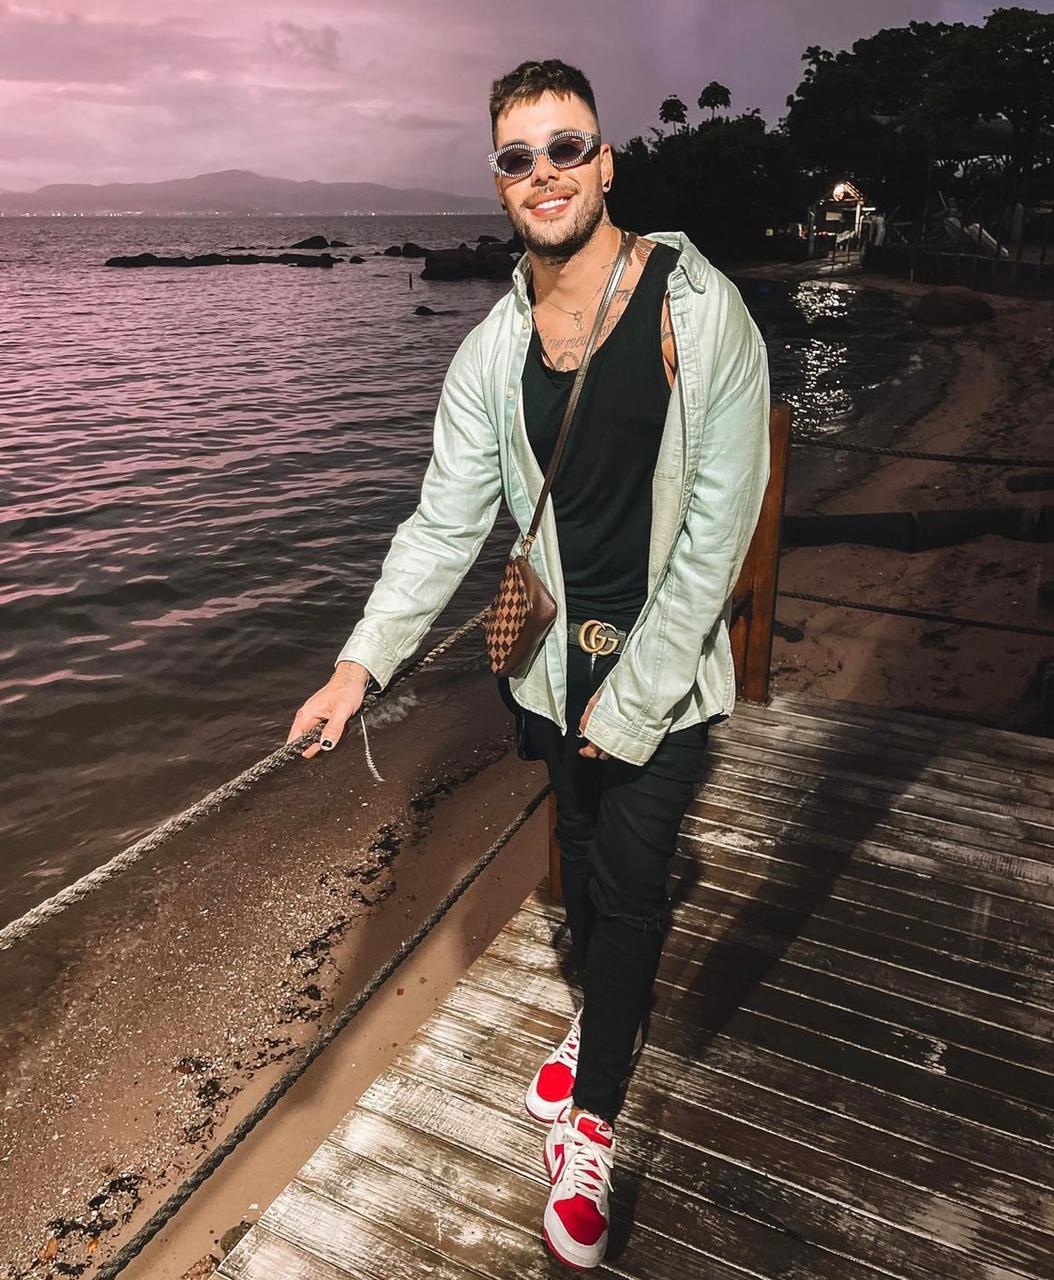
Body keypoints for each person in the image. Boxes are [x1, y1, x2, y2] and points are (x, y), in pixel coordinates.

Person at [286, 58, 770, 1271]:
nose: (543, 173)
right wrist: (358, 667)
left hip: (664, 672)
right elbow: (443, 525)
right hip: (552, 668)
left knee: (636, 881)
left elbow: (720, 529)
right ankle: (605, 1007)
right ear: (499, 182)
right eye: (518, 157)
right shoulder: (490, 351)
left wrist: (638, 694)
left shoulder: (699, 311)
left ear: (605, 163)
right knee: (586, 863)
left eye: (565, 148)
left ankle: (593, 1114)